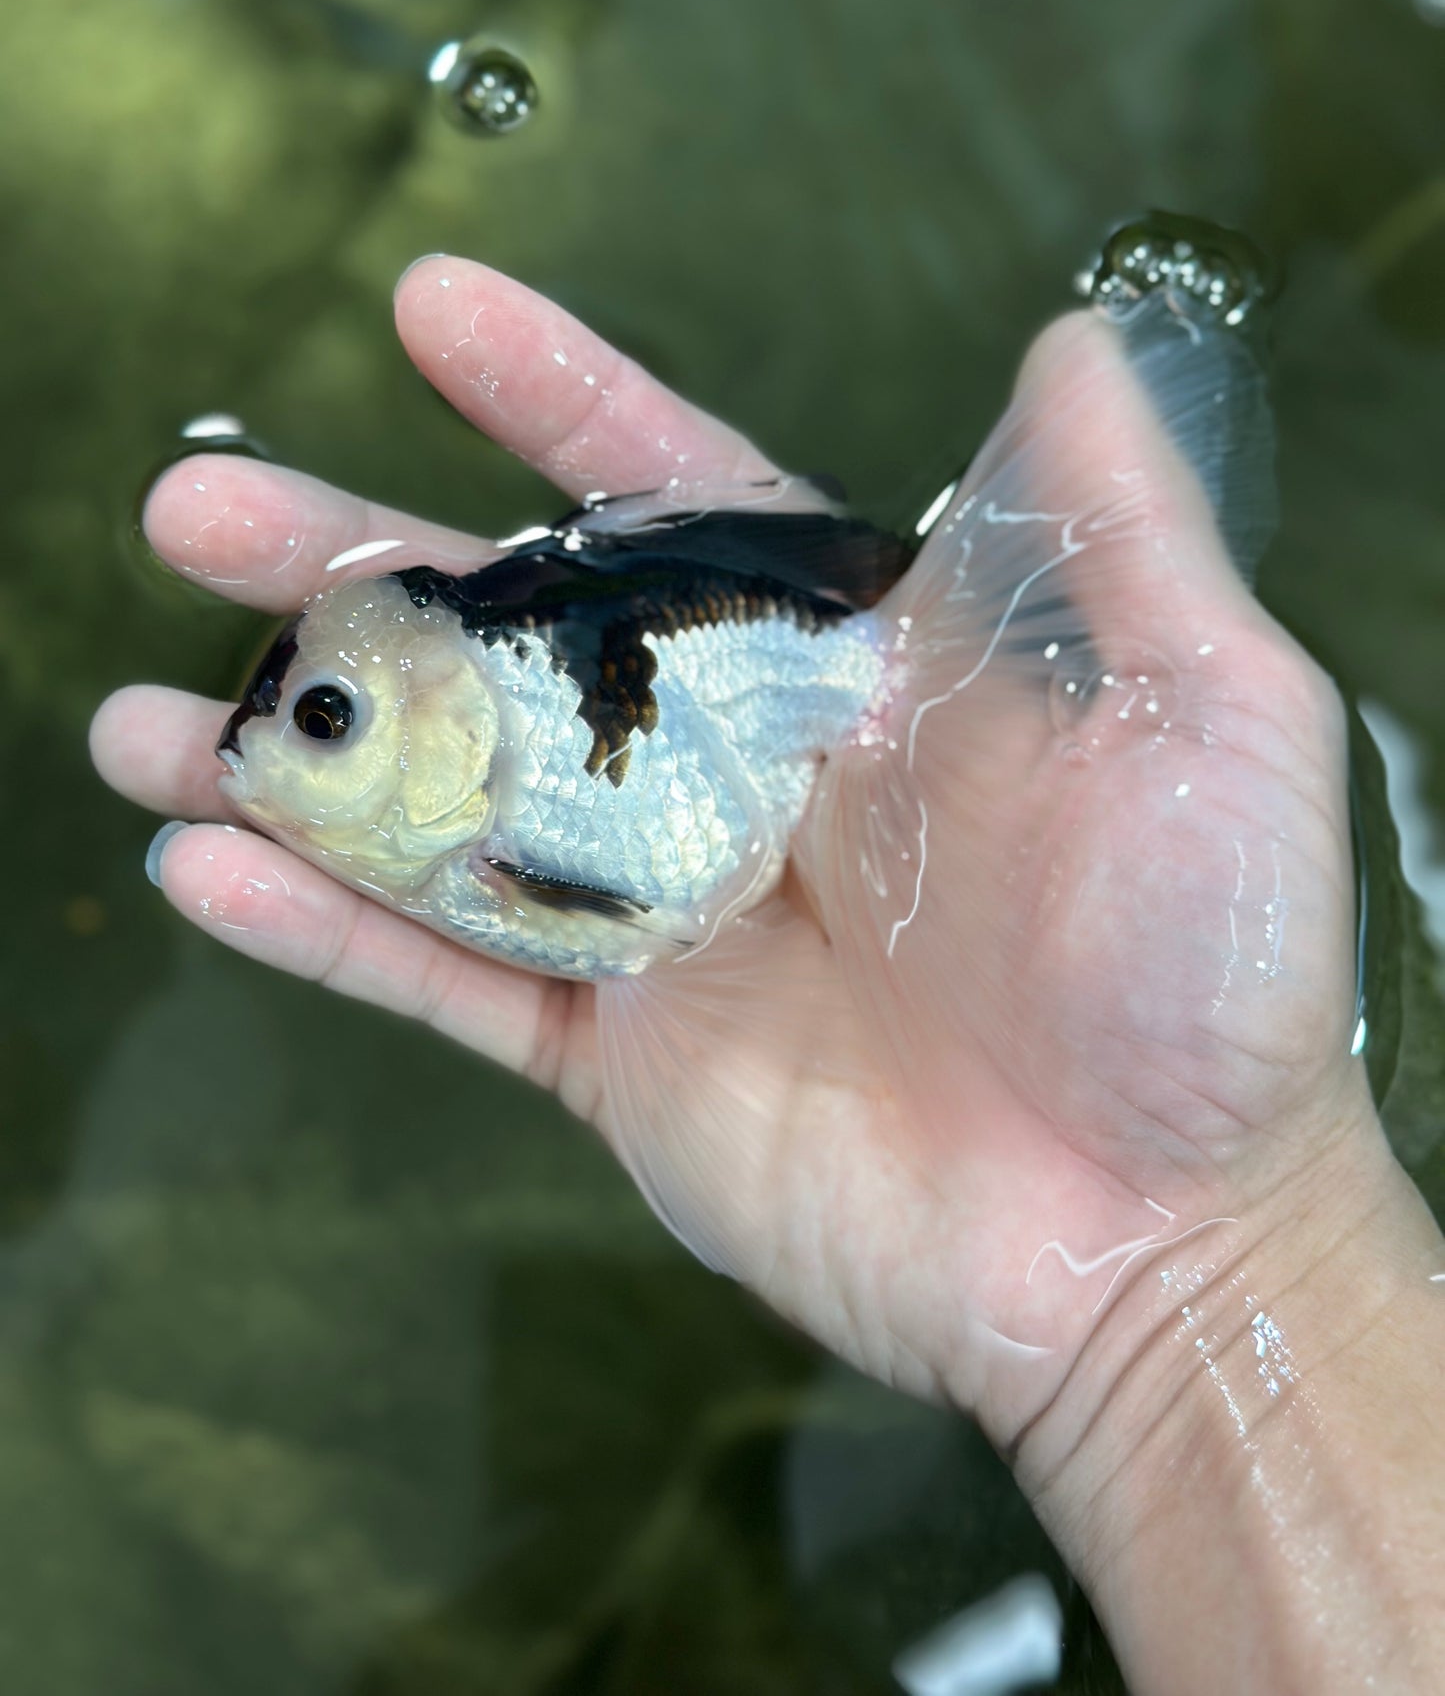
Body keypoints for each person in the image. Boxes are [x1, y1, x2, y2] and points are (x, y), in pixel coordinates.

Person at [91, 255, 1445, 1693]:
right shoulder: (473, 817)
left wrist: (1189, 1269)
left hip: (775, 681)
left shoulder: (526, 812)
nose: (270, 762)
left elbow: (615, 919)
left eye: (326, 720)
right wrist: (1204, 1278)